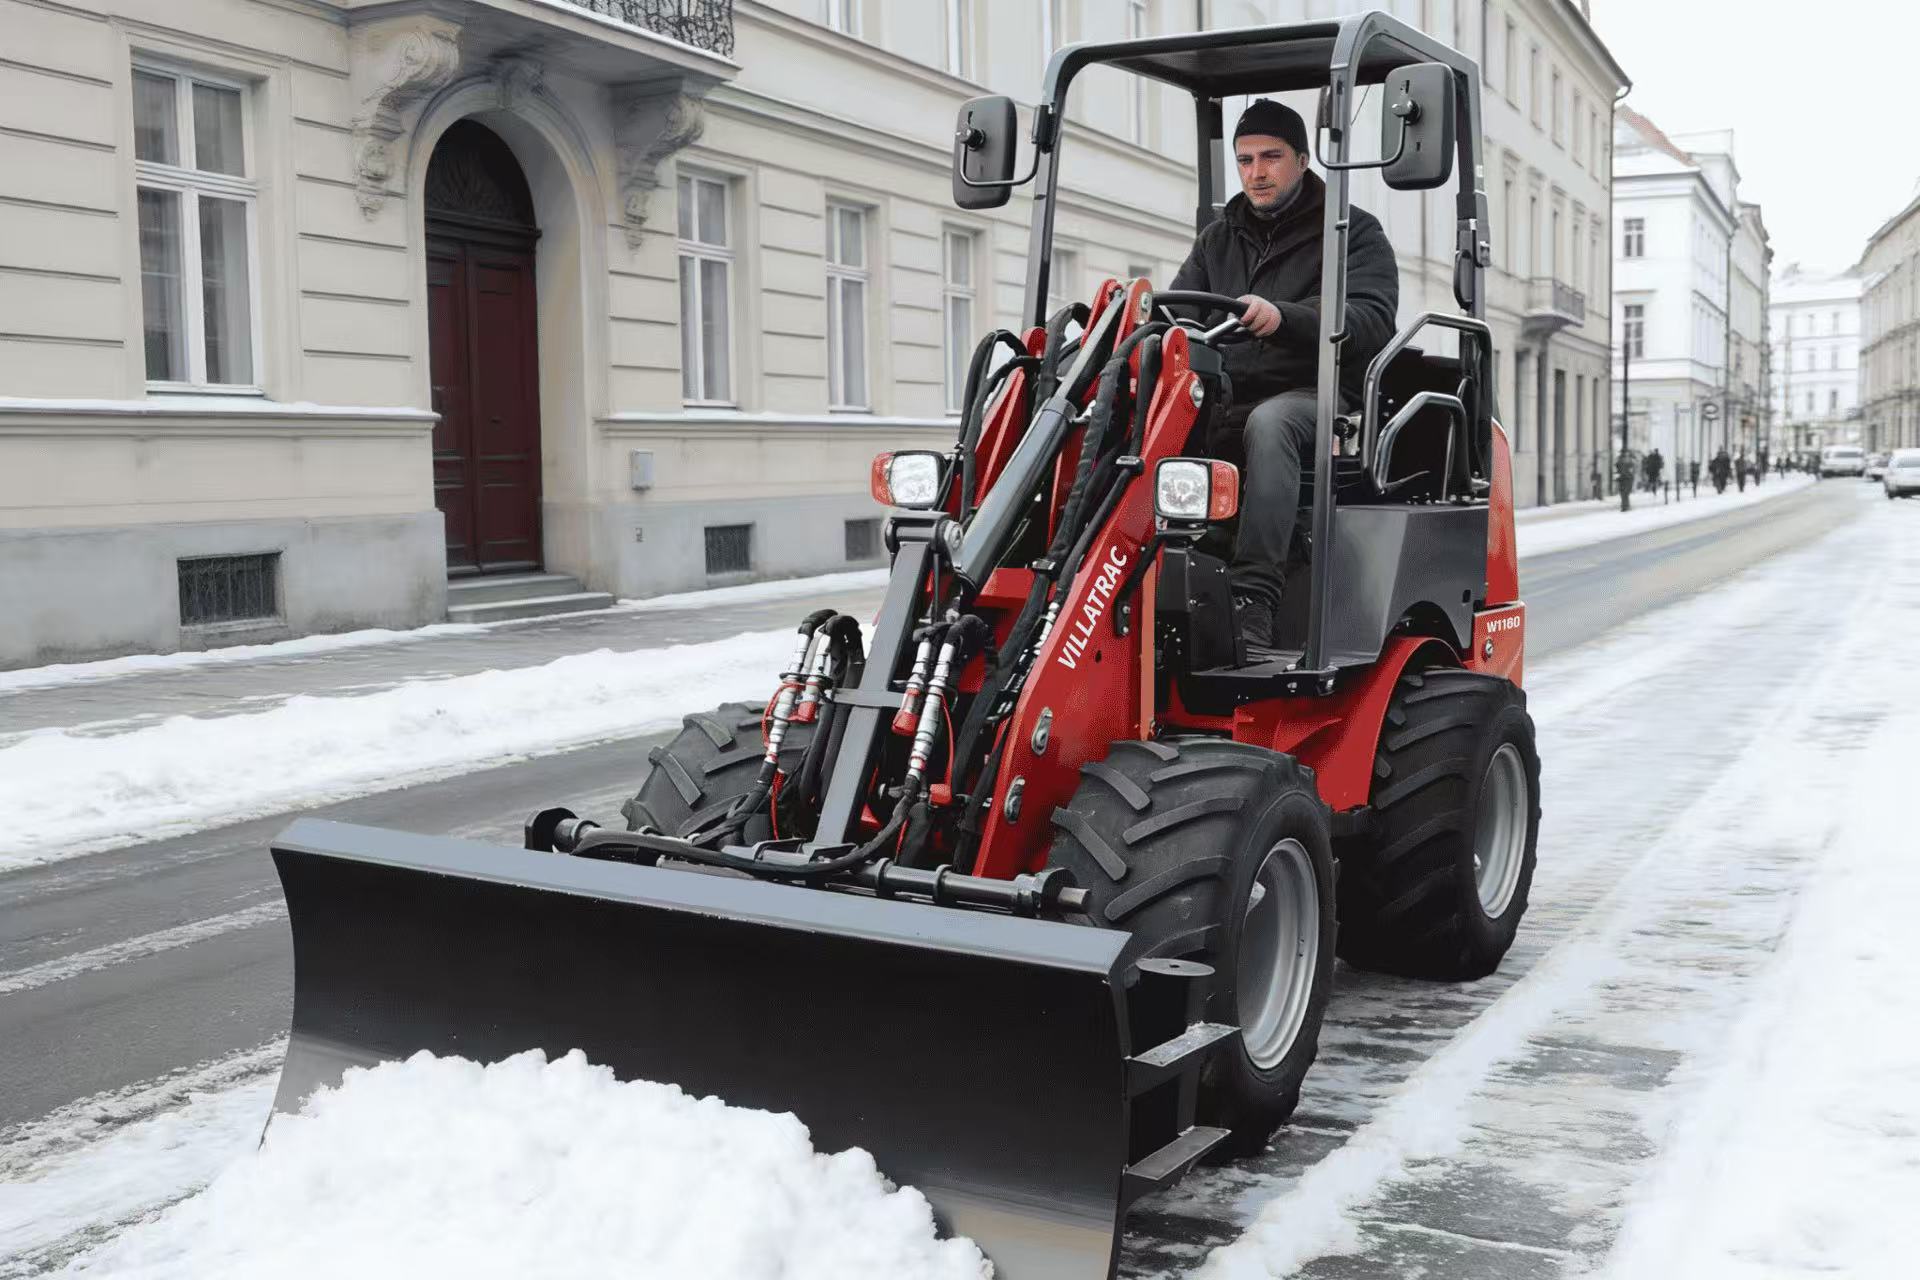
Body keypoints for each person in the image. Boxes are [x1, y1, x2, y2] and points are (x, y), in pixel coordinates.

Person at [1168, 99, 1399, 650]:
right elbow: (1179, 314)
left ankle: (1253, 601)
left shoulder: (1351, 233)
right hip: (1227, 392)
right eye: (1245, 160)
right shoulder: (1217, 238)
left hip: (1315, 398)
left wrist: (1286, 318)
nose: (1257, 172)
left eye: (1271, 157)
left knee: (1270, 426)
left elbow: (1371, 317)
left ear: (1301, 159)